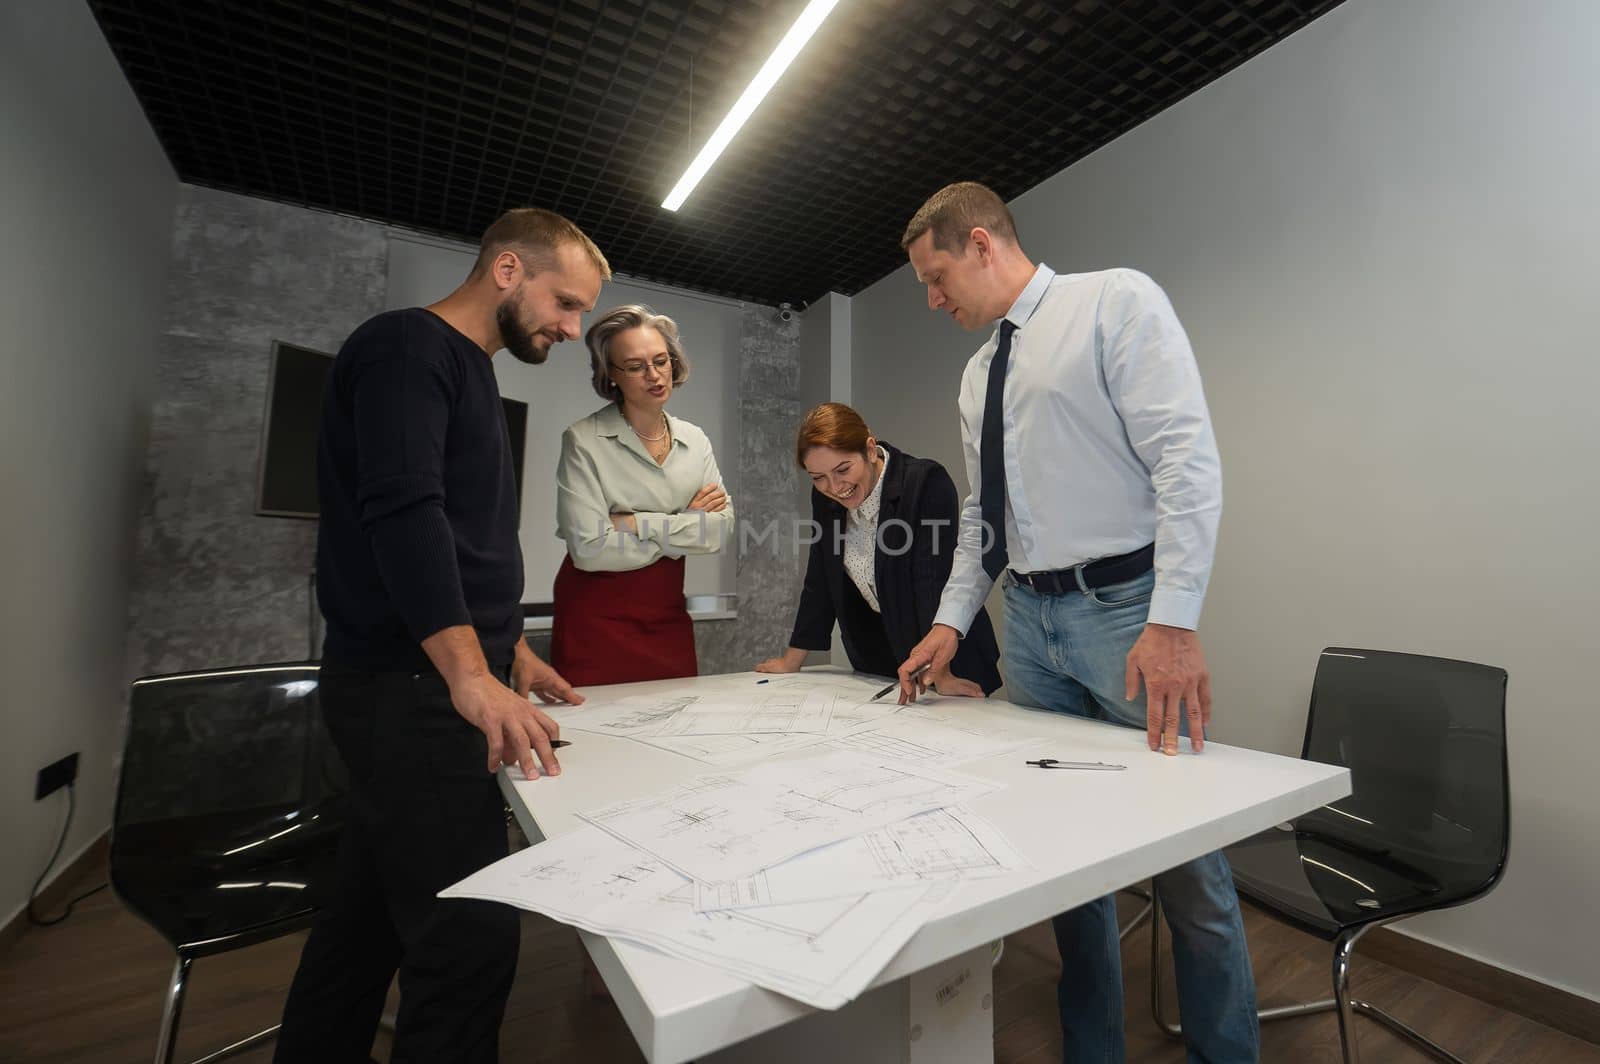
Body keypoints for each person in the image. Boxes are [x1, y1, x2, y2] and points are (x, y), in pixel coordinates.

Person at [894, 182, 1257, 1063]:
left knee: (1189, 858)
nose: (934, 302)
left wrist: (1173, 620)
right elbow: (985, 516)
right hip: (1030, 619)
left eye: (937, 279)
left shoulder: (1113, 301)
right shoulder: (979, 373)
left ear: (981, 244)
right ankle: (1090, 1047)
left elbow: (1186, 461)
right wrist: (951, 621)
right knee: (1062, 855)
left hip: (1126, 615)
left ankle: (1225, 1053)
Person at [275, 208, 608, 1064]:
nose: (573, 330)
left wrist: (512, 653)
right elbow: (404, 513)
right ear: (506, 270)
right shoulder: (404, 350)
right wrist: (468, 673)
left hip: (421, 682)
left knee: (364, 923)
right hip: (410, 693)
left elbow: (463, 546)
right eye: (565, 303)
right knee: (466, 944)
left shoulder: (469, 372)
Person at [756, 402, 1001, 696]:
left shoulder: (925, 483)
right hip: (883, 664)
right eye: (818, 477)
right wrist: (791, 661)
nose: (834, 487)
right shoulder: (826, 497)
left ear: (870, 449)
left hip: (949, 660)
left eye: (843, 469)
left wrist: (941, 675)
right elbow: (821, 577)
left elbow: (931, 583)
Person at [551, 304, 733, 686]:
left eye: (661, 361)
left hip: (666, 611)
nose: (654, 375)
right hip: (595, 616)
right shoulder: (582, 440)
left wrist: (633, 523)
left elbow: (719, 531)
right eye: (635, 367)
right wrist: (685, 523)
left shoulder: (695, 439)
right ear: (611, 375)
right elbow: (588, 549)